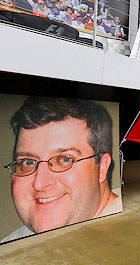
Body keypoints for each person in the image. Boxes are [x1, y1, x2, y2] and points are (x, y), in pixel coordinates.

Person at [2, 97, 121, 243]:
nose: (40, 183)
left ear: (102, 167)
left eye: (64, 159)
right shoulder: (11, 247)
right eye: (28, 162)